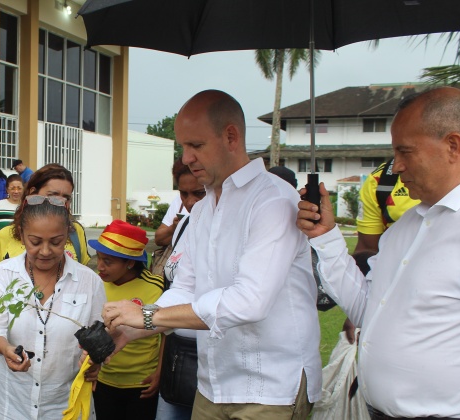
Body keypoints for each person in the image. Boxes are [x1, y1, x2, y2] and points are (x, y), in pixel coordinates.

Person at [297, 86, 460, 419]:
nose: (395, 166)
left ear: (453, 146)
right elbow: (366, 310)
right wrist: (326, 237)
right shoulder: (409, 224)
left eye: (405, 151)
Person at [102, 90, 321, 418]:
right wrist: (130, 331)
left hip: (271, 387)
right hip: (213, 381)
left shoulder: (274, 201)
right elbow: (185, 288)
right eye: (182, 146)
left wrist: (148, 316)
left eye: (196, 145)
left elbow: (250, 301)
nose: (186, 158)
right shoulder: (203, 210)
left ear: (231, 136)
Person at [0, 194, 106, 419]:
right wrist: (5, 348)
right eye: (35, 242)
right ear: (21, 235)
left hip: (63, 407)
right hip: (10, 405)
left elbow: (98, 335)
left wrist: (94, 361)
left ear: (67, 234)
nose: (45, 251)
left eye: (56, 242)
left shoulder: (89, 282)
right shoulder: (5, 274)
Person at [89, 220, 164, 420]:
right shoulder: (96, 283)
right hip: (104, 379)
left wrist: (159, 372)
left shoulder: (155, 287)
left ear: (130, 263)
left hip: (141, 383)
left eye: (108, 261)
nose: (100, 266)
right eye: (99, 258)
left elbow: (167, 332)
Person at [155, 159, 206, 420]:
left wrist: (146, 318)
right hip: (177, 351)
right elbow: (180, 287)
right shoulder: (185, 226)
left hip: (208, 356)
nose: (189, 202)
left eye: (199, 193)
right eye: (183, 193)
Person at [0, 164, 91, 267]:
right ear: (33, 193)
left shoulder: (75, 231)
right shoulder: (5, 235)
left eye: (66, 198)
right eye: (53, 195)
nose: (61, 203)